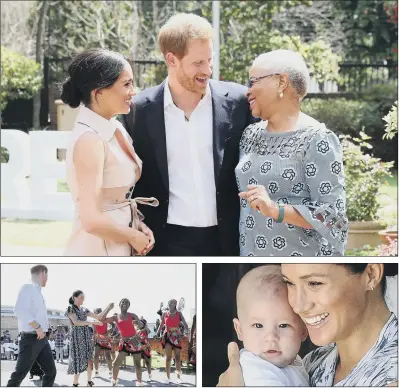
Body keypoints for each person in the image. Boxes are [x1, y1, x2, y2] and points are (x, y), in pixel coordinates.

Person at [119, 13, 254, 256]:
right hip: (163, 240)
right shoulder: (137, 111)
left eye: (210, 60)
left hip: (228, 240)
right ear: (172, 59)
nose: (208, 70)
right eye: (198, 63)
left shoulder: (239, 103)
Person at [236, 50, 348, 256]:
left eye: (253, 81)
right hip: (253, 261)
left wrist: (275, 210)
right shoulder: (250, 134)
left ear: (281, 82)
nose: (248, 91)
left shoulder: (317, 138)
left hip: (301, 265)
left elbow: (333, 217)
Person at [217, 263, 398, 387]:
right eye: (290, 283)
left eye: (314, 283)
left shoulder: (391, 373)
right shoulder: (312, 362)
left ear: (371, 275)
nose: (297, 305)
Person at [61, 48, 158, 256]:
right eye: (126, 84)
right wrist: (133, 236)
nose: (134, 91)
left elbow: (116, 200)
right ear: (99, 93)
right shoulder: (89, 139)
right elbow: (91, 220)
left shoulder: (114, 127)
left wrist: (137, 225)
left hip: (117, 244)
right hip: (97, 249)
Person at [233, 265, 308, 386]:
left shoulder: (294, 360)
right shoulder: (256, 370)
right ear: (240, 330)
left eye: (283, 325)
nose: (271, 337)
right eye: (258, 325)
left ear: (304, 330)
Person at [7, 265, 56, 387]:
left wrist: (44, 328)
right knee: (19, 374)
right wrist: (38, 327)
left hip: (42, 339)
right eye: (47, 276)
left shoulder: (38, 292)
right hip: (31, 338)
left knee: (51, 372)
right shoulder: (27, 288)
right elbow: (19, 310)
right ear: (43, 273)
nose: (47, 279)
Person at [66, 290, 114, 387]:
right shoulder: (70, 308)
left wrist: (108, 307)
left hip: (86, 337)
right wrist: (92, 323)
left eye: (83, 298)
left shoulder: (84, 309)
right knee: (78, 361)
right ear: (74, 297)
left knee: (89, 359)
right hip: (76, 338)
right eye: (81, 297)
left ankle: (89, 381)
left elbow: (99, 317)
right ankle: (75, 383)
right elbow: (76, 322)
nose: (83, 299)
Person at [102, 299, 144, 387]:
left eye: (127, 302)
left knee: (137, 363)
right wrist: (108, 308)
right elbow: (103, 319)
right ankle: (114, 381)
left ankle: (139, 383)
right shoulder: (115, 317)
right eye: (123, 302)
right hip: (124, 342)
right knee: (116, 363)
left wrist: (139, 324)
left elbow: (140, 324)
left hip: (135, 341)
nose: (124, 303)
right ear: (119, 305)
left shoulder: (132, 315)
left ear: (129, 306)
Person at [156, 299, 189, 384]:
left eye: (173, 303)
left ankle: (178, 377)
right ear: (168, 304)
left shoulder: (179, 314)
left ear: (175, 304)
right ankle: (167, 377)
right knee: (168, 358)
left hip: (177, 336)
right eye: (170, 302)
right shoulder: (164, 314)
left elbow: (185, 324)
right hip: (167, 336)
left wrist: (185, 331)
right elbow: (161, 325)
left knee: (177, 358)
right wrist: (157, 333)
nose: (172, 304)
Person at [92, 308, 113, 378]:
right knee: (95, 356)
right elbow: (94, 331)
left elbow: (114, 325)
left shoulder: (106, 319)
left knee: (108, 356)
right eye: (95, 313)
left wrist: (108, 332)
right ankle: (96, 371)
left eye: (98, 312)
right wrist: (94, 336)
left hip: (106, 340)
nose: (97, 314)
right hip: (98, 340)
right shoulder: (94, 321)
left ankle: (110, 371)